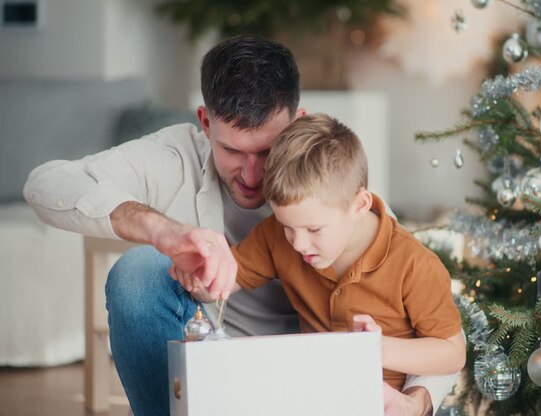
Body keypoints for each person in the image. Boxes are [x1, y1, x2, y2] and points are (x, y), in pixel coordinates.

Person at [23, 34, 457, 415]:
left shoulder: (337, 189)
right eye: (232, 150)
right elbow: (46, 184)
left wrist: (415, 403)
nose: (252, 176)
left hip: (322, 377)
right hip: (228, 364)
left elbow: (437, 337)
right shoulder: (175, 159)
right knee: (136, 273)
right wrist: (165, 234)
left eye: (267, 151)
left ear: (298, 122)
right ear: (205, 122)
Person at [172, 113, 466, 394]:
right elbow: (224, 280)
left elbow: (453, 353)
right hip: (309, 395)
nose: (298, 244)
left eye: (314, 229)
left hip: (383, 403)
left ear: (360, 206)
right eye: (288, 226)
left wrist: (378, 348)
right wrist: (201, 272)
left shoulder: (414, 265)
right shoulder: (277, 236)